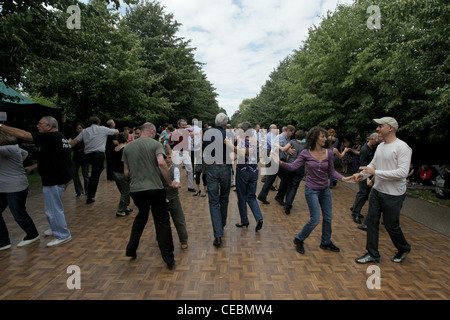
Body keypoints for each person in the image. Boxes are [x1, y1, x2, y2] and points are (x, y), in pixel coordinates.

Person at [274, 126, 354, 255]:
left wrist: (344, 178)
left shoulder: (329, 152)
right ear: (315, 138)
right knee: (315, 219)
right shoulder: (306, 152)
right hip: (311, 190)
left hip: (325, 190)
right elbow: (294, 166)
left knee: (328, 218)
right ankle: (299, 239)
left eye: (325, 136)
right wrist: (280, 163)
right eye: (322, 136)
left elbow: (332, 171)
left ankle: (325, 242)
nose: (325, 138)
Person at [0, 117, 73, 247]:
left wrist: (1, 126)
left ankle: (62, 235)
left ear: (49, 127)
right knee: (54, 207)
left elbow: (23, 135)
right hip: (61, 178)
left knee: (53, 209)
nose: (37, 126)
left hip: (54, 180)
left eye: (40, 124)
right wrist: (33, 167)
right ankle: (56, 227)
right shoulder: (59, 137)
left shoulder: (50, 137)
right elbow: (53, 158)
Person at [122, 122, 180, 269]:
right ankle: (168, 258)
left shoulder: (128, 147)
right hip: (155, 188)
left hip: (136, 190)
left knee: (141, 216)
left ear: (140, 132)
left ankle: (131, 250)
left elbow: (126, 172)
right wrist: (169, 182)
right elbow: (161, 163)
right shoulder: (155, 145)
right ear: (153, 132)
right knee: (161, 220)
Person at [354, 117, 412, 264]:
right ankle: (372, 253)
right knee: (371, 222)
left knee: (391, 225)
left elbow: (402, 173)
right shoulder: (380, 146)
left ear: (390, 128)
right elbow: (372, 165)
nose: (377, 129)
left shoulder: (402, 147)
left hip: (394, 194)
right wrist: (361, 175)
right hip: (377, 191)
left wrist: (376, 172)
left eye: (381, 126)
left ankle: (403, 248)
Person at [0, 131, 39, 250]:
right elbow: (25, 152)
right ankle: (3, 241)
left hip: (15, 187)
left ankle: (32, 234)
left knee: (18, 213)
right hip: (3, 187)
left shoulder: (9, 149)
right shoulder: (15, 149)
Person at [70, 117, 118, 204]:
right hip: (98, 155)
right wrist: (112, 128)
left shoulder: (85, 131)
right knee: (95, 176)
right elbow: (116, 132)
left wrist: (67, 147)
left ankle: (90, 185)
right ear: (98, 123)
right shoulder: (103, 129)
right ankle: (90, 196)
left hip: (87, 155)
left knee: (91, 172)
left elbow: (75, 141)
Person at [204, 113, 233, 247]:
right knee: (224, 197)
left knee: (214, 201)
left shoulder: (208, 134)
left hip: (212, 168)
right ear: (225, 124)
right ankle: (221, 225)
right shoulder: (230, 135)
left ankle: (218, 234)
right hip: (225, 168)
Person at [227, 122, 263, 231]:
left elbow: (240, 154)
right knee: (251, 197)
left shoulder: (243, 142)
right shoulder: (255, 142)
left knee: (242, 196)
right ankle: (259, 218)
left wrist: (229, 145)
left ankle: (244, 220)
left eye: (239, 130)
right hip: (254, 171)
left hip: (243, 172)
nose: (237, 132)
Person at [350, 133, 380, 224]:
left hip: (371, 174)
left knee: (365, 194)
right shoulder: (365, 150)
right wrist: (366, 178)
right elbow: (362, 165)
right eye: (376, 140)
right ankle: (355, 212)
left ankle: (355, 207)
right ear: (371, 139)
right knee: (362, 193)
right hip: (364, 175)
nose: (378, 142)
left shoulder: (375, 148)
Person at [276, 130, 307, 214]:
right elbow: (303, 140)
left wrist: (276, 145)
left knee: (289, 184)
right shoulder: (306, 144)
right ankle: (288, 204)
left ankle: (287, 203)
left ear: (295, 136)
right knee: (294, 186)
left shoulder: (292, 142)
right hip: (300, 167)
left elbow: (283, 149)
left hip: (290, 166)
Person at [163, 147, 188, 249]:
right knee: (162, 221)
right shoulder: (159, 169)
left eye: (169, 157)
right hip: (162, 198)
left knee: (179, 219)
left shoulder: (175, 169)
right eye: (166, 157)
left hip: (173, 197)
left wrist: (176, 183)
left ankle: (183, 240)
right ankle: (161, 239)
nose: (168, 159)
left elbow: (177, 179)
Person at [169, 119, 195, 192]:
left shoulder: (187, 131)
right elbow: (169, 143)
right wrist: (171, 151)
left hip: (185, 152)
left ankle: (190, 186)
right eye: (182, 125)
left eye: (185, 125)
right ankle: (176, 185)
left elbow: (193, 133)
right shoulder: (175, 133)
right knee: (176, 170)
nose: (184, 126)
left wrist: (193, 134)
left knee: (190, 170)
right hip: (177, 152)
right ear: (178, 125)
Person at [112, 132, 132, 217]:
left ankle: (125, 207)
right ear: (126, 139)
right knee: (126, 191)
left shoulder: (115, 148)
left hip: (115, 172)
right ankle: (120, 210)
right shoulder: (126, 149)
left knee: (123, 191)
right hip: (123, 173)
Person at [69, 123, 89, 197]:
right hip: (76, 158)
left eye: (80, 128)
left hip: (84, 157)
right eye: (77, 128)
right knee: (74, 173)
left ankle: (87, 190)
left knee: (85, 174)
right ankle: (78, 190)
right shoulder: (73, 136)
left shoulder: (86, 136)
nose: (79, 130)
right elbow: (69, 142)